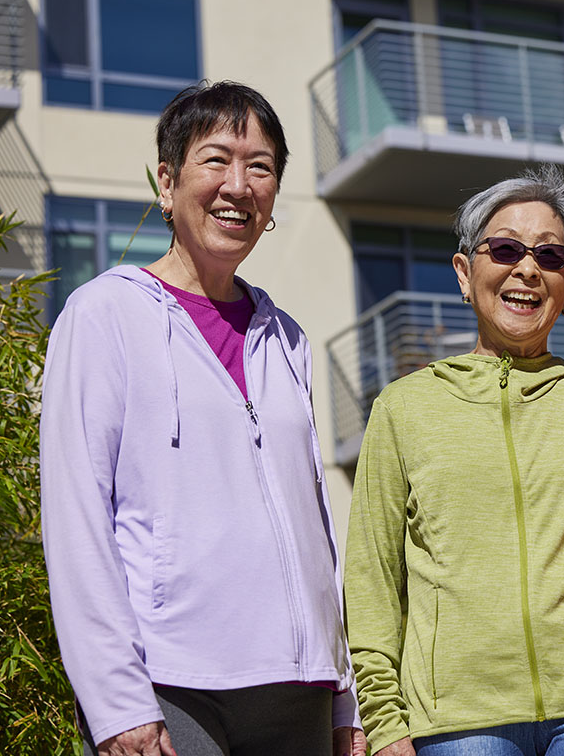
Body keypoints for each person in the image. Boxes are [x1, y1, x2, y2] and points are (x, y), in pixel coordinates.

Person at [41, 81, 365, 756]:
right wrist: (114, 702)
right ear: (167, 182)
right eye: (216, 160)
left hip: (298, 683)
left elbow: (317, 522)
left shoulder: (288, 338)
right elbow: (75, 515)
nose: (239, 185)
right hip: (169, 684)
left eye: (262, 166)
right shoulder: (105, 315)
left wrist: (346, 697)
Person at [344, 166, 564, 756]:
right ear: (464, 271)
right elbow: (373, 577)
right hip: (455, 717)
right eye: (504, 249)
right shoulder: (403, 408)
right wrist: (384, 722)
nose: (527, 269)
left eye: (550, 257)